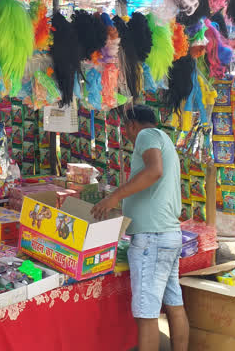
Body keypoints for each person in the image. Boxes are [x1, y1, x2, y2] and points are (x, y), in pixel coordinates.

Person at [91, 105, 188, 351]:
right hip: (168, 234)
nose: (126, 133)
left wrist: (114, 198)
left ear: (132, 125)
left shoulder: (147, 135)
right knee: (174, 305)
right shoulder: (164, 138)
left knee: (146, 314)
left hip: (152, 238)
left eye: (126, 128)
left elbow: (154, 171)